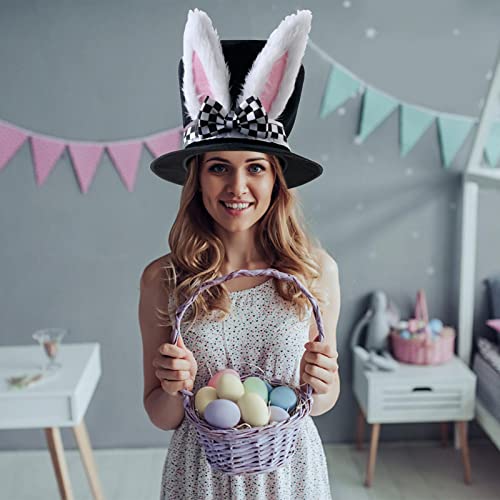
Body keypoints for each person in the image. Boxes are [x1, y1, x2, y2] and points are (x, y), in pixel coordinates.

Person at [139, 9, 341, 499]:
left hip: (290, 473)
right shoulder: (164, 279)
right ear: (196, 178)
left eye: (255, 167)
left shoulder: (314, 271)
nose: (237, 186)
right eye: (217, 168)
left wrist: (325, 380)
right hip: (202, 477)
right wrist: (170, 385)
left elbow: (321, 401)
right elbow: (162, 416)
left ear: (276, 180)